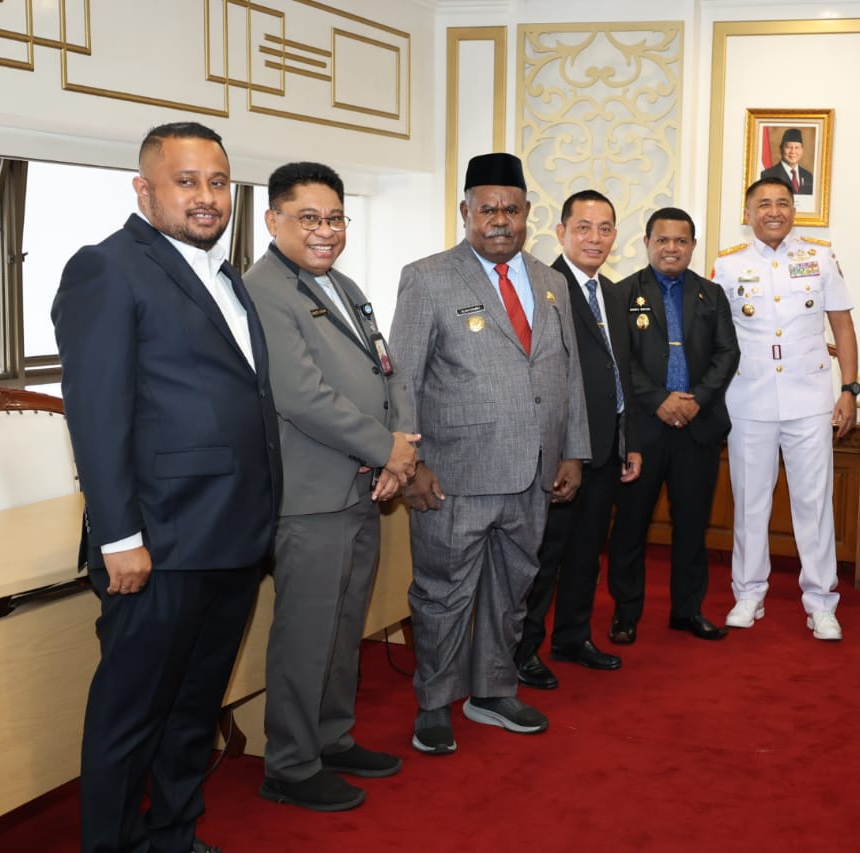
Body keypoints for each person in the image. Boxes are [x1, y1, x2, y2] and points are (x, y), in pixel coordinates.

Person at [52, 121, 282, 853]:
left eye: (218, 181)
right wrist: (120, 536)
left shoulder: (225, 274)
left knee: (192, 710)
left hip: (233, 536)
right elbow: (97, 414)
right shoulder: (106, 268)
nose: (206, 196)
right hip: (159, 542)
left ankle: (173, 835)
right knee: (131, 718)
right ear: (143, 189)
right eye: (186, 181)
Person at [390, 153, 589, 755]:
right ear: (466, 212)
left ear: (527, 213)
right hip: (454, 473)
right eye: (487, 209)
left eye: (511, 209)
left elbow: (569, 373)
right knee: (443, 593)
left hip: (534, 472)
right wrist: (410, 464)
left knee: (513, 588)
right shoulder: (428, 277)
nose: (500, 219)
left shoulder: (552, 282)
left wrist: (573, 450)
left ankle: (493, 690)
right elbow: (402, 378)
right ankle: (434, 702)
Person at [244, 162, 419, 811]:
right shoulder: (263, 290)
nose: (326, 230)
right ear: (273, 220)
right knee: (307, 632)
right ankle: (290, 765)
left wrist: (400, 448)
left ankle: (331, 736)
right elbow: (301, 396)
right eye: (309, 218)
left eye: (335, 218)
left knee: (345, 626)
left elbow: (388, 370)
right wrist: (386, 449)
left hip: (363, 485)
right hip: (311, 495)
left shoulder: (342, 284)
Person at [711, 177, 859, 640]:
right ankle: (748, 593)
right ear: (748, 213)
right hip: (748, 398)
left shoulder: (820, 258)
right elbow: (714, 337)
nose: (773, 211)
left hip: (809, 398)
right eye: (763, 204)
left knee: (813, 503)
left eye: (782, 203)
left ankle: (821, 602)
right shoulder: (727, 266)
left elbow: (843, 326)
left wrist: (849, 389)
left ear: (794, 210)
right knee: (749, 502)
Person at [515, 189, 641, 691]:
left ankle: (571, 637)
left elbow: (621, 374)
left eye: (605, 228)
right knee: (544, 557)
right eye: (584, 227)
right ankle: (522, 649)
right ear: (561, 232)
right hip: (561, 450)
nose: (595, 238)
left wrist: (628, 440)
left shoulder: (612, 292)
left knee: (588, 553)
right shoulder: (542, 289)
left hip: (605, 447)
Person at [606, 208, 740, 643]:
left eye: (681, 241)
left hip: (698, 429)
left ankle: (687, 610)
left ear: (693, 246)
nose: (671, 248)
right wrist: (659, 399)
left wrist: (697, 399)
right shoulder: (622, 294)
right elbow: (619, 359)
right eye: (662, 240)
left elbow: (727, 353)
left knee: (692, 526)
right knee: (630, 527)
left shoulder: (710, 294)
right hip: (642, 431)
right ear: (647, 243)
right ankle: (626, 613)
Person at [760, 128, 813, 195]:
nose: (793, 151)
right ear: (781, 149)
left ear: (802, 150)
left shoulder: (808, 176)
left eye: (797, 147)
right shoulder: (767, 175)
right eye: (788, 147)